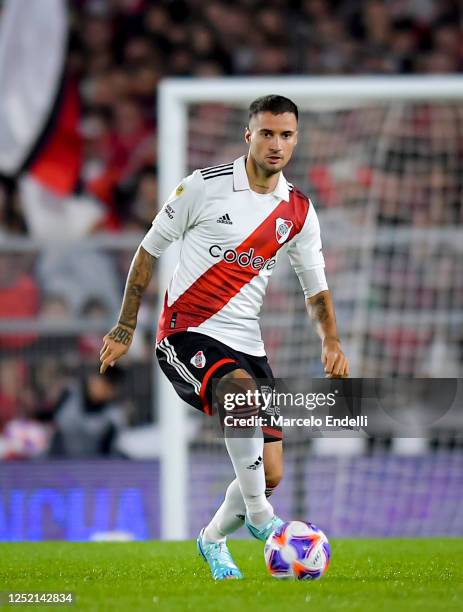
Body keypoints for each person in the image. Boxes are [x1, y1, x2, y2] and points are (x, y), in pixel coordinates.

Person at [99, 95, 349, 580]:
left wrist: (331, 340)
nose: (277, 144)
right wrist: (127, 324)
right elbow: (148, 252)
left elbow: (314, 286)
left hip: (247, 344)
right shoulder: (204, 187)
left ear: (296, 139)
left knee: (270, 471)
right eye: (268, 133)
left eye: (287, 135)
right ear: (248, 136)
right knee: (239, 392)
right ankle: (261, 521)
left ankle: (212, 539)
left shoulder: (298, 212)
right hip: (186, 332)